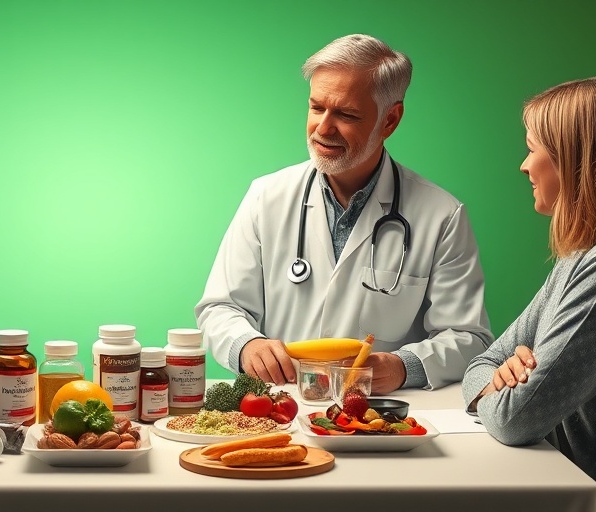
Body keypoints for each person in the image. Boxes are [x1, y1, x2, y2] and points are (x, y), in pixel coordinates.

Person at [195, 34, 493, 393]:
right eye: (317, 107)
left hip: (379, 416)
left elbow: (469, 337)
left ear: (390, 120)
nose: (323, 128)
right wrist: (247, 346)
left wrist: (403, 366)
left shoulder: (441, 215)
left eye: (346, 114)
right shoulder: (266, 196)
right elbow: (220, 307)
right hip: (281, 406)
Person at [462, 77, 596, 511]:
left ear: (575, 160)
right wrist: (497, 378)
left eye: (532, 148)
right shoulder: (588, 252)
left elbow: (516, 418)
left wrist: (492, 393)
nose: (524, 165)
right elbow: (483, 361)